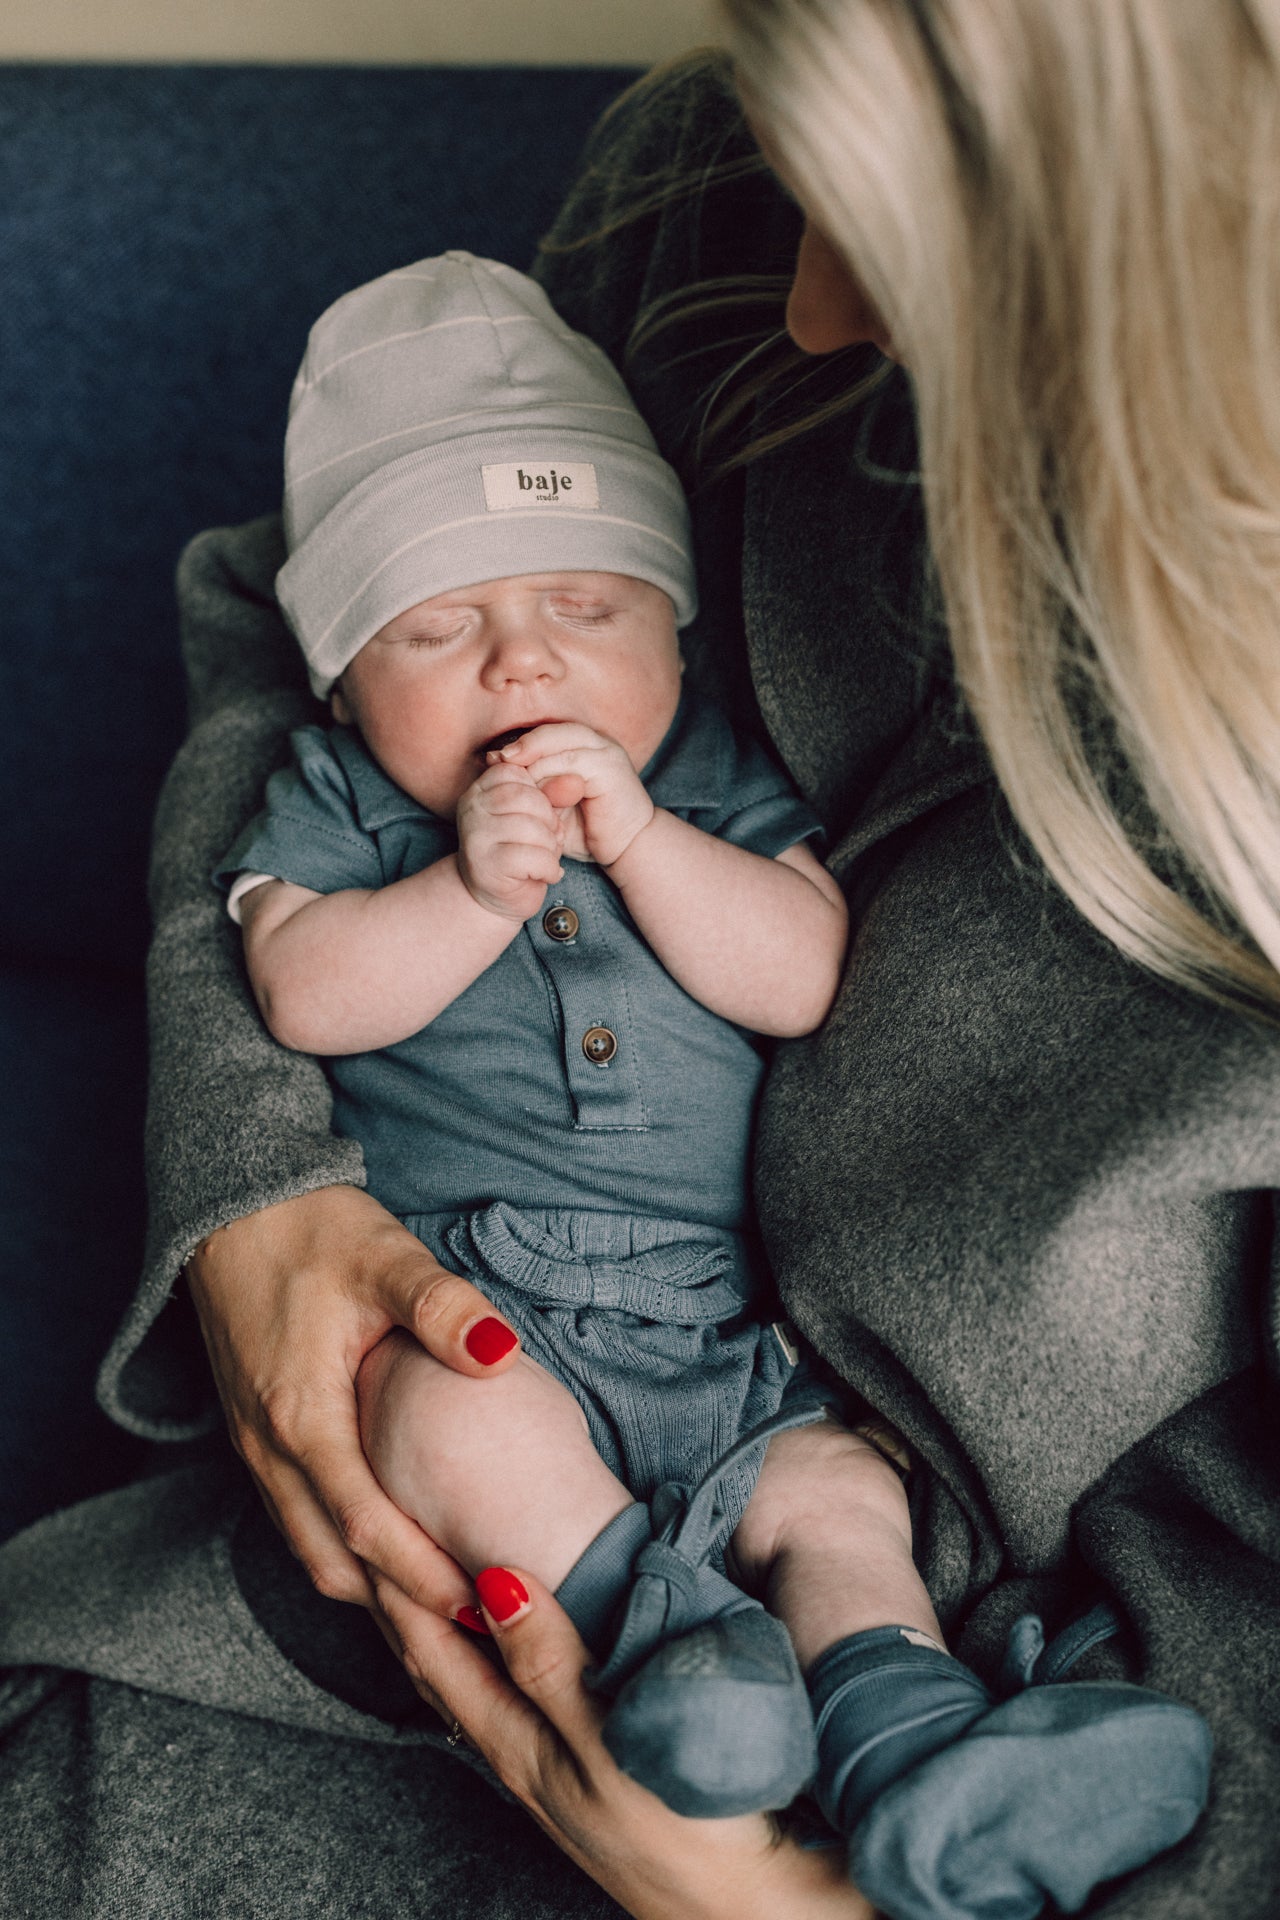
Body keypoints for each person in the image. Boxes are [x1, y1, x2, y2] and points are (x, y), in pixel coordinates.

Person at [1, 8, 1278, 1918]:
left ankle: (910, 1736)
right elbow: (311, 647)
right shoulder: (722, 219)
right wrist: (262, 1207)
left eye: (910, 220)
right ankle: (680, 1653)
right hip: (431, 1512)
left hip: (1043, 1645)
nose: (812, 306)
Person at [212, 245, 1208, 1915]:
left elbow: (802, 968)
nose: (523, 667)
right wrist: (463, 893)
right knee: (445, 1418)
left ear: (673, 628)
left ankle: (916, 1746)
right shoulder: (347, 802)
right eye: (439, 628)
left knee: (835, 1499)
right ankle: (674, 1657)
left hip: (732, 1325)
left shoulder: (709, 775)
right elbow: (300, 992)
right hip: (487, 1299)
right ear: (338, 681)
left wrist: (651, 840)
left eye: (588, 613)